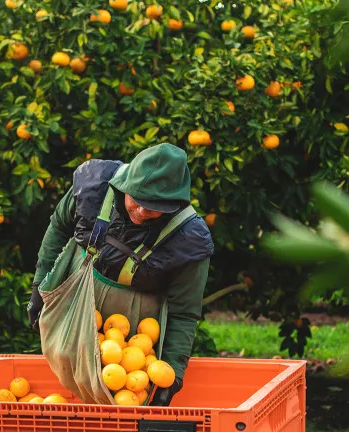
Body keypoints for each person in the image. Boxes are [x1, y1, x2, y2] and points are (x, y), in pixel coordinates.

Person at [27, 143, 214, 406]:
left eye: (151, 208)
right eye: (135, 201)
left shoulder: (189, 239)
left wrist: (174, 373)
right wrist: (40, 285)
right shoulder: (94, 187)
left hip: (136, 325)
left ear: (173, 205)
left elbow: (184, 311)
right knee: (68, 359)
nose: (140, 212)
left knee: (120, 394)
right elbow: (59, 227)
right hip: (81, 293)